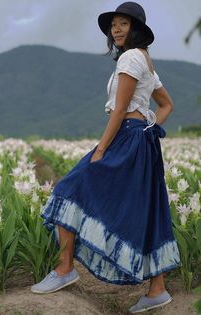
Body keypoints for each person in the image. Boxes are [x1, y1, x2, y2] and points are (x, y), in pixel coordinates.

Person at [31, 2, 181, 313]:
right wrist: (150, 130)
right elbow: (166, 106)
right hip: (140, 140)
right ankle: (157, 289)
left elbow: (120, 111)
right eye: (113, 25)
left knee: (68, 188)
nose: (115, 29)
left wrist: (101, 149)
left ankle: (64, 270)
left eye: (123, 23)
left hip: (126, 136)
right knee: (147, 207)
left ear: (136, 28)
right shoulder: (147, 62)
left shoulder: (130, 58)